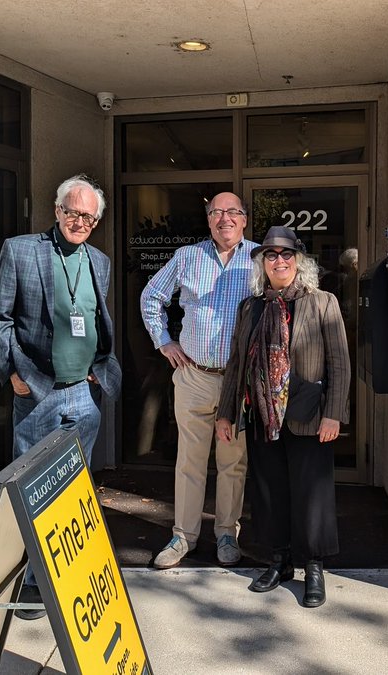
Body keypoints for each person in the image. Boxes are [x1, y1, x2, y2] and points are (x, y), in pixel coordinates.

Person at [0, 174, 122, 619]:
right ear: (57, 210)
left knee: (74, 491)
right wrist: (12, 374)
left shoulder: (99, 261)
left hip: (84, 393)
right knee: (31, 488)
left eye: (89, 217)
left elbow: (97, 320)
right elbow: (0, 319)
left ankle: (65, 577)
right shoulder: (22, 250)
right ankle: (29, 580)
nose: (80, 222)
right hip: (37, 391)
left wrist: (100, 369)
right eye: (73, 213)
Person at [215, 226, 350, 608]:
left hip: (309, 413)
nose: (279, 261)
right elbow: (237, 363)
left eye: (286, 254)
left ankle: (314, 567)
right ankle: (279, 561)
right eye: (271, 255)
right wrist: (226, 414)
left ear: (299, 260)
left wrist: (333, 415)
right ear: (262, 263)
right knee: (269, 489)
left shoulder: (322, 302)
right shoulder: (251, 307)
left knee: (311, 493)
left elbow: (340, 363)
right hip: (263, 413)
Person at [140, 192, 258, 568]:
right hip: (193, 377)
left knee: (233, 462)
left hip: (238, 382)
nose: (225, 218)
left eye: (233, 212)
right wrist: (164, 341)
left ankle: (226, 533)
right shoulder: (187, 256)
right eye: (217, 212)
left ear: (244, 219)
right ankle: (183, 536)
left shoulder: (259, 258)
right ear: (208, 219)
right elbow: (151, 297)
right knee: (189, 461)